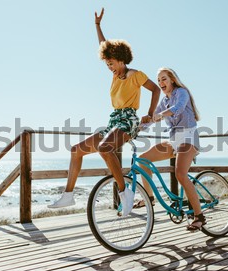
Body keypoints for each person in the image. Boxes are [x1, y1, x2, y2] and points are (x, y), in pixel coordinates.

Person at [48, 8, 160, 216]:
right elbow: (104, 45)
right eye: (107, 64)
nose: (109, 67)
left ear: (120, 59)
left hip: (129, 120)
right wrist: (97, 26)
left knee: (105, 148)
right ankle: (68, 195)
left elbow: (155, 89)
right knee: (76, 150)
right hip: (114, 120)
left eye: (111, 64)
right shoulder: (116, 76)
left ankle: (125, 193)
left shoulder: (136, 75)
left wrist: (150, 113)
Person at [135, 67, 205, 231]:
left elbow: (178, 108)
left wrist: (161, 115)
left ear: (172, 79)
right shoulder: (164, 101)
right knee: (143, 160)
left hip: (188, 136)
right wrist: (136, 128)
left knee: (180, 174)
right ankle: (150, 197)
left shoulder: (182, 92)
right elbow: (152, 120)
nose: (161, 83)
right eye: (159, 80)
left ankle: (199, 216)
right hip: (174, 139)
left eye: (164, 79)